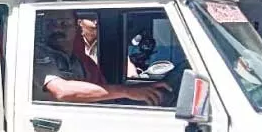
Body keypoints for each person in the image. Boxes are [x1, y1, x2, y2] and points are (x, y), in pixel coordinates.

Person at [34, 11, 168, 104]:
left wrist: (143, 89)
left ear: (76, 28)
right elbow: (61, 91)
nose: (57, 29)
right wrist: (126, 91)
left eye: (64, 24)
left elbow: (93, 92)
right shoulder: (37, 54)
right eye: (50, 24)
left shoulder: (77, 61)